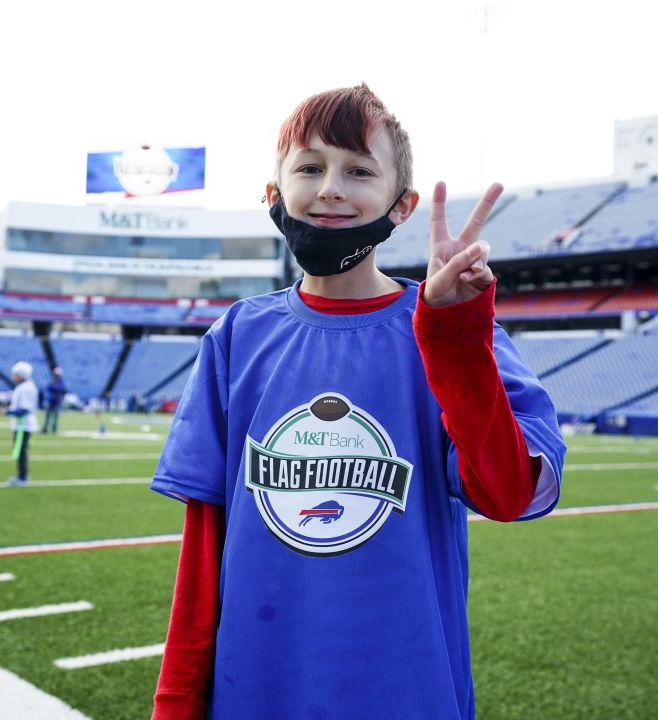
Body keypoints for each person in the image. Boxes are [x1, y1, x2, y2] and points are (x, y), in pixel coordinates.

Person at [148, 84, 565, 720]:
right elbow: (203, 552)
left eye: (359, 170)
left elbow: (507, 495)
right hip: (256, 689)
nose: (331, 188)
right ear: (272, 194)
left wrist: (454, 338)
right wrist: (175, 703)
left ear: (402, 206)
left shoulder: (456, 331)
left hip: (405, 689)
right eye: (309, 167)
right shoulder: (236, 337)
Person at [3, 361, 39, 487]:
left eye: (15, 374)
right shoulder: (24, 386)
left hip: (24, 424)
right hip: (21, 424)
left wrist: (8, 412)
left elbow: (25, 409)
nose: (13, 377)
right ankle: (21, 475)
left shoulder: (27, 388)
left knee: (21, 451)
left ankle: (23, 477)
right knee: (19, 451)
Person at [41, 366, 66, 434]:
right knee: (47, 416)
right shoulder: (52, 381)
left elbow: (61, 389)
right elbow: (49, 387)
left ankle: (54, 429)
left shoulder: (60, 382)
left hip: (57, 401)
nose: (56, 375)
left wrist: (54, 388)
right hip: (50, 401)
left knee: (55, 416)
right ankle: (45, 428)